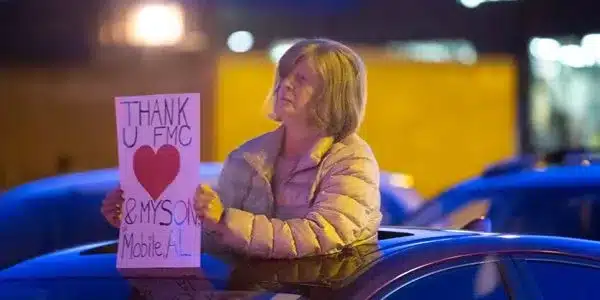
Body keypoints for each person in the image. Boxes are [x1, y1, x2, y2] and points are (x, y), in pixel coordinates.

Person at [101, 38, 382, 259]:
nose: (285, 85)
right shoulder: (247, 157)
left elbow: (321, 236)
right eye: (284, 76)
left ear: (334, 93)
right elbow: (212, 242)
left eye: (302, 79)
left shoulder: (352, 160)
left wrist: (225, 219)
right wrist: (141, 218)